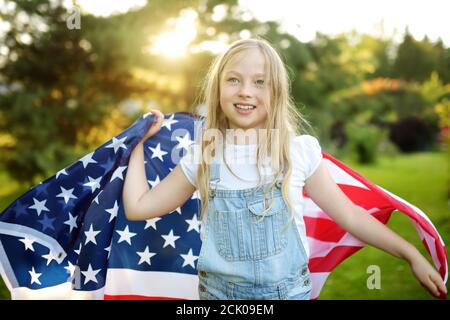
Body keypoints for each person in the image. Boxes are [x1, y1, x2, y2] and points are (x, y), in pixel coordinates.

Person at [122, 38, 447, 300]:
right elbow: (139, 207)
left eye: (260, 82)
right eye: (233, 80)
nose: (245, 90)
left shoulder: (296, 151)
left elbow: (350, 216)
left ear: (277, 91)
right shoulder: (203, 156)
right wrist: (135, 143)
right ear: (218, 88)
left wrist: (411, 255)